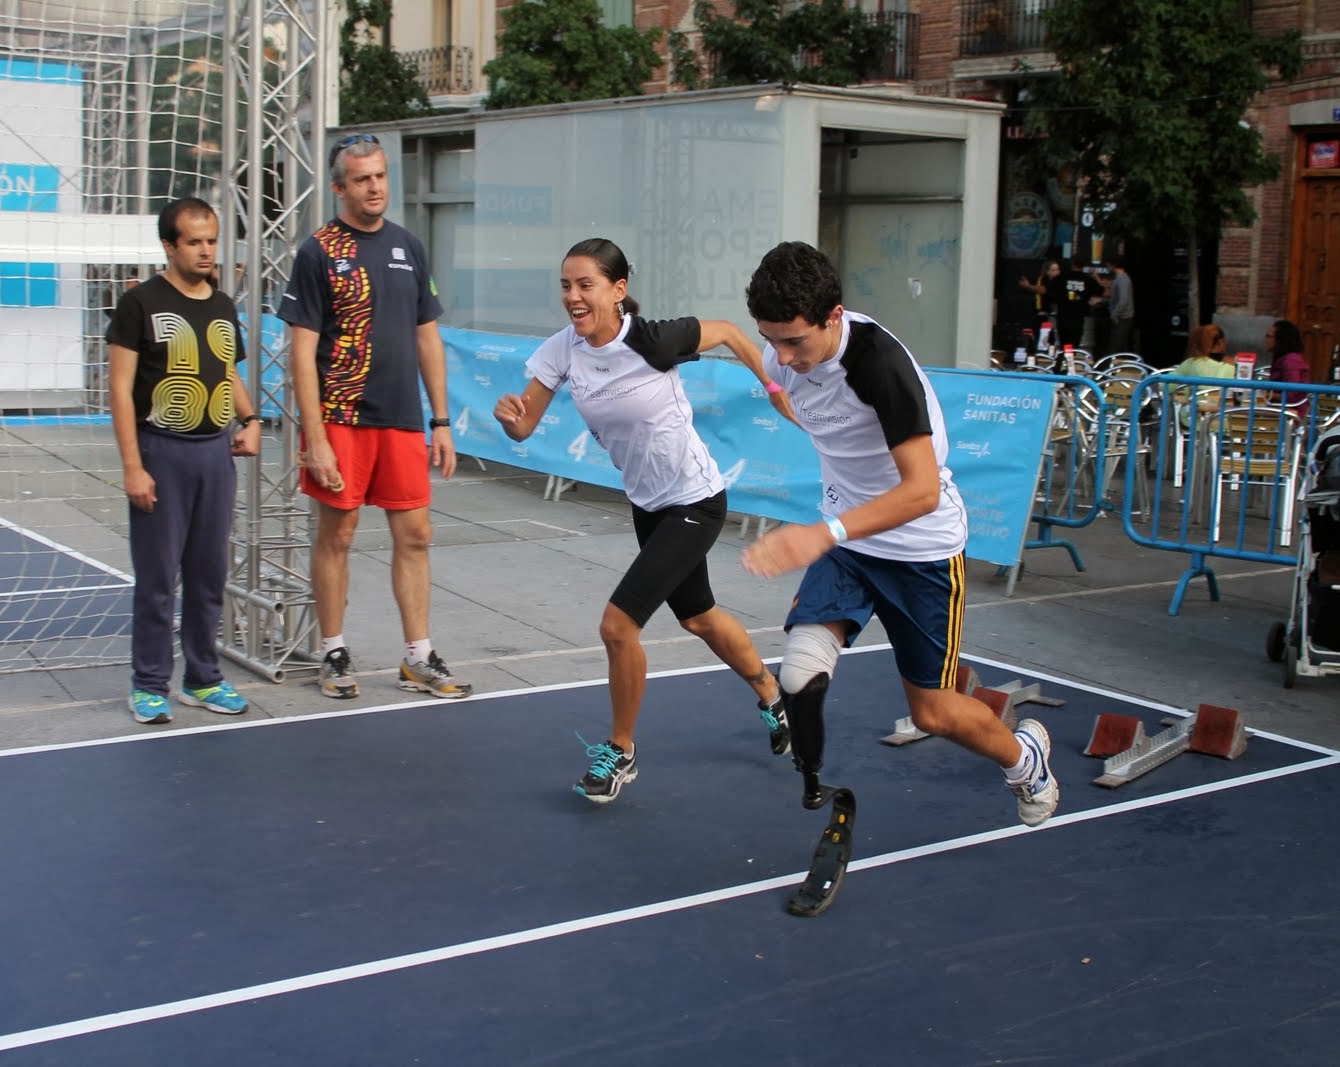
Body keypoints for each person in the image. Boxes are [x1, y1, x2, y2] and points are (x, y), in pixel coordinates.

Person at [738, 241, 1058, 828]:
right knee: (800, 673)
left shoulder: (879, 366)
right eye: (769, 340)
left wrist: (819, 534)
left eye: (794, 342)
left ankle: (1025, 758)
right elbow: (794, 397)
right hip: (850, 545)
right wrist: (743, 355)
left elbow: (921, 492)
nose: (780, 356)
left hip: (920, 550)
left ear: (833, 316)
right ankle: (813, 784)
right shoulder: (783, 352)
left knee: (934, 713)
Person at [492, 238, 798, 803]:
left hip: (697, 500)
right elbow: (523, 426)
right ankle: (774, 696)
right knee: (700, 618)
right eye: (566, 285)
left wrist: (776, 388)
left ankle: (622, 753)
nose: (573, 297)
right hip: (649, 504)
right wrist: (508, 418)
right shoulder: (563, 350)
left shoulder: (654, 340)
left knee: (617, 626)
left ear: (617, 290)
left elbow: (730, 330)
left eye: (585, 284)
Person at [279, 132, 472, 702]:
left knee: (416, 534)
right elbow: (300, 352)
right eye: (362, 179)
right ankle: (332, 650)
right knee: (337, 534)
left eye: (381, 176)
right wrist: (314, 438)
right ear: (339, 188)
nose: (375, 188)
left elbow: (427, 337)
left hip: (403, 420)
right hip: (340, 417)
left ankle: (418, 658)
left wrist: (441, 420)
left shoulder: (408, 246)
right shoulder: (318, 251)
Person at [107, 197, 262, 724]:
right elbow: (121, 391)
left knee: (208, 574)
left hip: (214, 456)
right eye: (194, 241)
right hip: (161, 453)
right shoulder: (139, 304)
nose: (205, 251)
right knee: (157, 579)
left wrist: (252, 419)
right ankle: (149, 682)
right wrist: (133, 466)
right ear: (169, 246)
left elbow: (227, 372)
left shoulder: (220, 303)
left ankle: (203, 678)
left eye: (212, 240)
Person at [1170, 323, 1236, 425]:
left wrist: (1183, 394)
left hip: (1193, 422)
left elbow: (1165, 385)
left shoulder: (1190, 363)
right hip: (1224, 423)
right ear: (1220, 342)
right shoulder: (1232, 367)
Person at [1264, 319, 1312, 416]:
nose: (1266, 340)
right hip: (1278, 409)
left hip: (1291, 414)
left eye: (1269, 336)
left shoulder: (1291, 361)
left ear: (1281, 339)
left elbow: (1292, 395)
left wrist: (1267, 395)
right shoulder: (1281, 359)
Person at [1054, 255, 1103, 350]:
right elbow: (1101, 291)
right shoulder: (1087, 279)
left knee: (1063, 348)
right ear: (1083, 265)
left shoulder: (1062, 277)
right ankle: (1070, 363)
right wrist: (1095, 276)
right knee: (1073, 349)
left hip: (1063, 318)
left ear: (1072, 264)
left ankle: (1062, 363)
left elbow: (1048, 290)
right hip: (1078, 319)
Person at [1016, 258, 1062, 338]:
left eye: (1058, 270)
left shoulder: (1061, 280)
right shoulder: (1043, 279)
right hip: (1044, 313)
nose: (1057, 272)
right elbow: (1042, 290)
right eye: (1053, 270)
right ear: (1047, 272)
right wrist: (1028, 286)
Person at [1101, 255, 1135, 355]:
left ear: (1113, 265)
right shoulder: (1120, 279)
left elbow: (1124, 301)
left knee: (1115, 348)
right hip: (1120, 317)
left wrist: (1114, 314)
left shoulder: (1123, 280)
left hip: (1122, 318)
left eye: (1108, 265)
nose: (1107, 267)